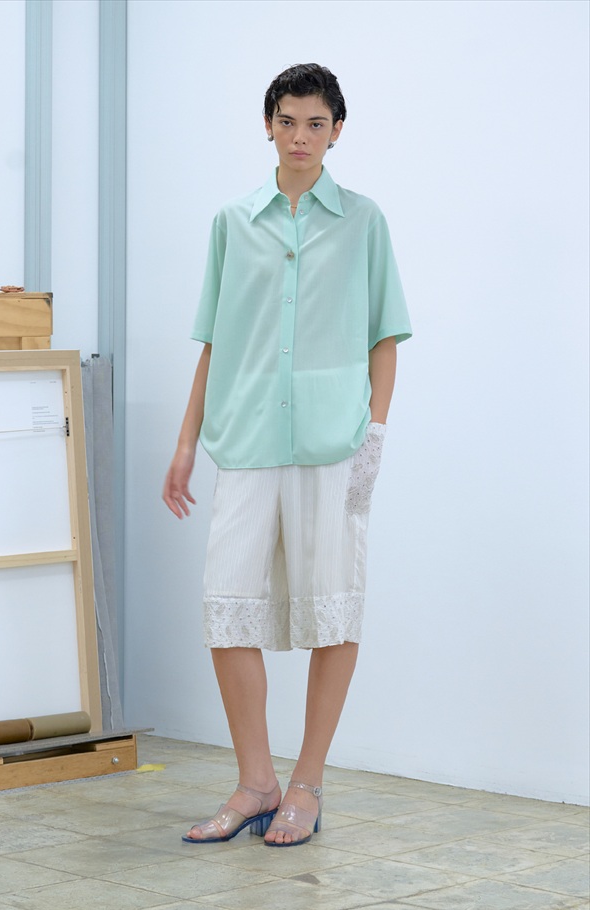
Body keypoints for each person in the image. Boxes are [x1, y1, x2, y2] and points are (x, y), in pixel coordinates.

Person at [163, 63, 412, 847]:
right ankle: (255, 782)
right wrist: (185, 443)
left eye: (316, 123)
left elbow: (384, 337)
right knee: (228, 611)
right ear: (267, 124)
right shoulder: (232, 223)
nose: (301, 136)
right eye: (288, 120)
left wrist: (374, 434)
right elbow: (214, 343)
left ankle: (306, 783)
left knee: (332, 609)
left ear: (337, 131)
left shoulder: (363, 221)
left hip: (332, 444)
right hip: (245, 440)